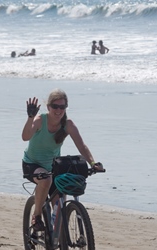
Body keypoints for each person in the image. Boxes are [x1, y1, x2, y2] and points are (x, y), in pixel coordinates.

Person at [22, 89, 104, 231]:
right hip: (31, 164)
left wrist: (92, 163)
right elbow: (25, 137)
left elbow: (81, 146)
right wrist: (30, 117)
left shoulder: (68, 124)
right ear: (48, 107)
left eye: (62, 107)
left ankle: (57, 236)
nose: (58, 110)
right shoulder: (40, 120)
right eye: (55, 106)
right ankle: (37, 216)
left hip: (53, 167)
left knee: (60, 204)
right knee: (46, 180)